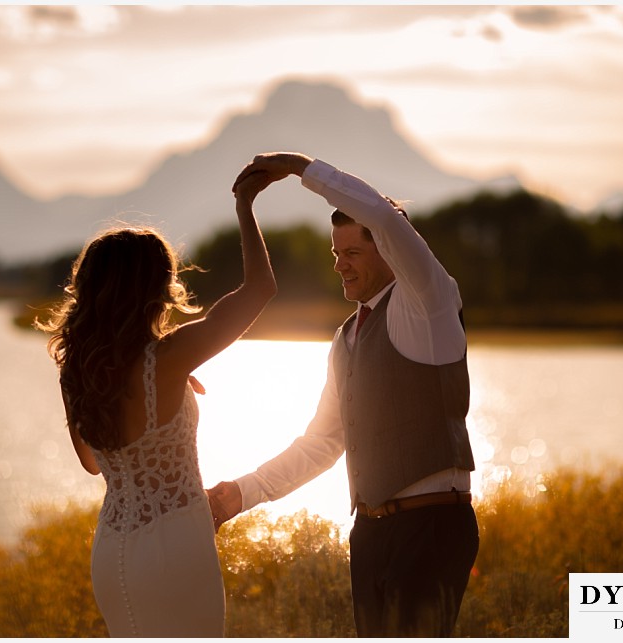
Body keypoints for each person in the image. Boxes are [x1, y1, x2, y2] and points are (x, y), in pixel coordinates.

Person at [208, 152, 479, 637]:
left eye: (352, 253)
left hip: (432, 529)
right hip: (370, 534)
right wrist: (240, 495)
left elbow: (380, 215)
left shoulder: (429, 305)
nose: (340, 266)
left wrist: (297, 167)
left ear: (389, 250)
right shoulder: (346, 337)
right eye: (335, 254)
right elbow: (321, 444)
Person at [36, 169, 278, 637]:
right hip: (176, 542)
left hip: (112, 549)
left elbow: (91, 463)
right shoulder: (168, 358)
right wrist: (245, 207)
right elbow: (260, 289)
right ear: (156, 287)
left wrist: (172, 381)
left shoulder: (79, 368)